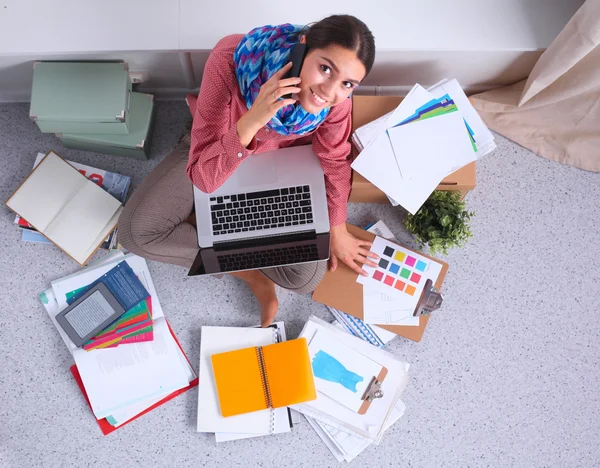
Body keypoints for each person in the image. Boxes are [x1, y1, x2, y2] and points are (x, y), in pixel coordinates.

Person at [118, 15, 380, 327]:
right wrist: (255, 117)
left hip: (281, 166)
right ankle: (252, 275)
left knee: (306, 277)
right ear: (303, 47)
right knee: (137, 234)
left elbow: (335, 161)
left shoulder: (336, 102)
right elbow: (204, 178)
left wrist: (337, 227)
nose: (329, 92)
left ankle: (213, 227)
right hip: (218, 148)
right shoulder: (229, 57)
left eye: (347, 84)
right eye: (326, 68)